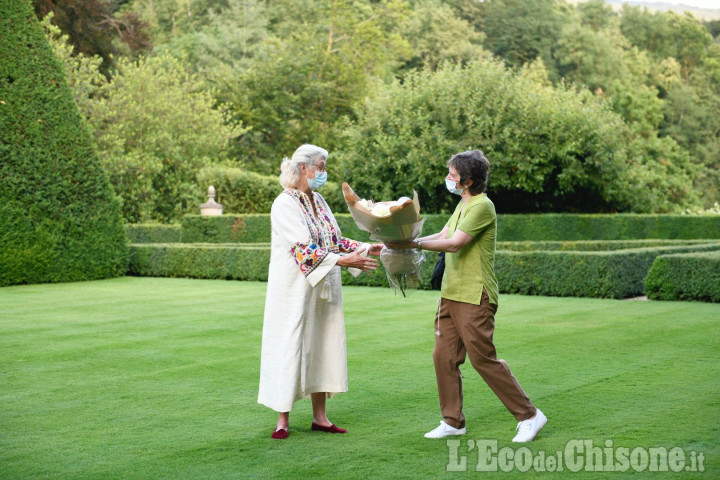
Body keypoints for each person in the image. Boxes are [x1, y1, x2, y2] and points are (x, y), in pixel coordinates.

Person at [388, 150, 547, 442]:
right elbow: (444, 233)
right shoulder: (464, 204)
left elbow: (454, 244)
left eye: (453, 175)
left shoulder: (482, 206)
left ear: (469, 180)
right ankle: (453, 421)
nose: (448, 178)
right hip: (451, 293)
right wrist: (404, 243)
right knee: (443, 357)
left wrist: (415, 244)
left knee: (483, 359)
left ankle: (530, 415)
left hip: (476, 294)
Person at [258, 144, 383, 440]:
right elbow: (302, 247)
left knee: (324, 344)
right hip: (293, 289)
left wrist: (366, 248)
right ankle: (282, 420)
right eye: (320, 166)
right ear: (303, 167)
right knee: (290, 345)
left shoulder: (321, 200)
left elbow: (334, 240)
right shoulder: (284, 203)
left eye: (324, 167)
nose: (323, 172)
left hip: (325, 285)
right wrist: (344, 261)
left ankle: (320, 417)